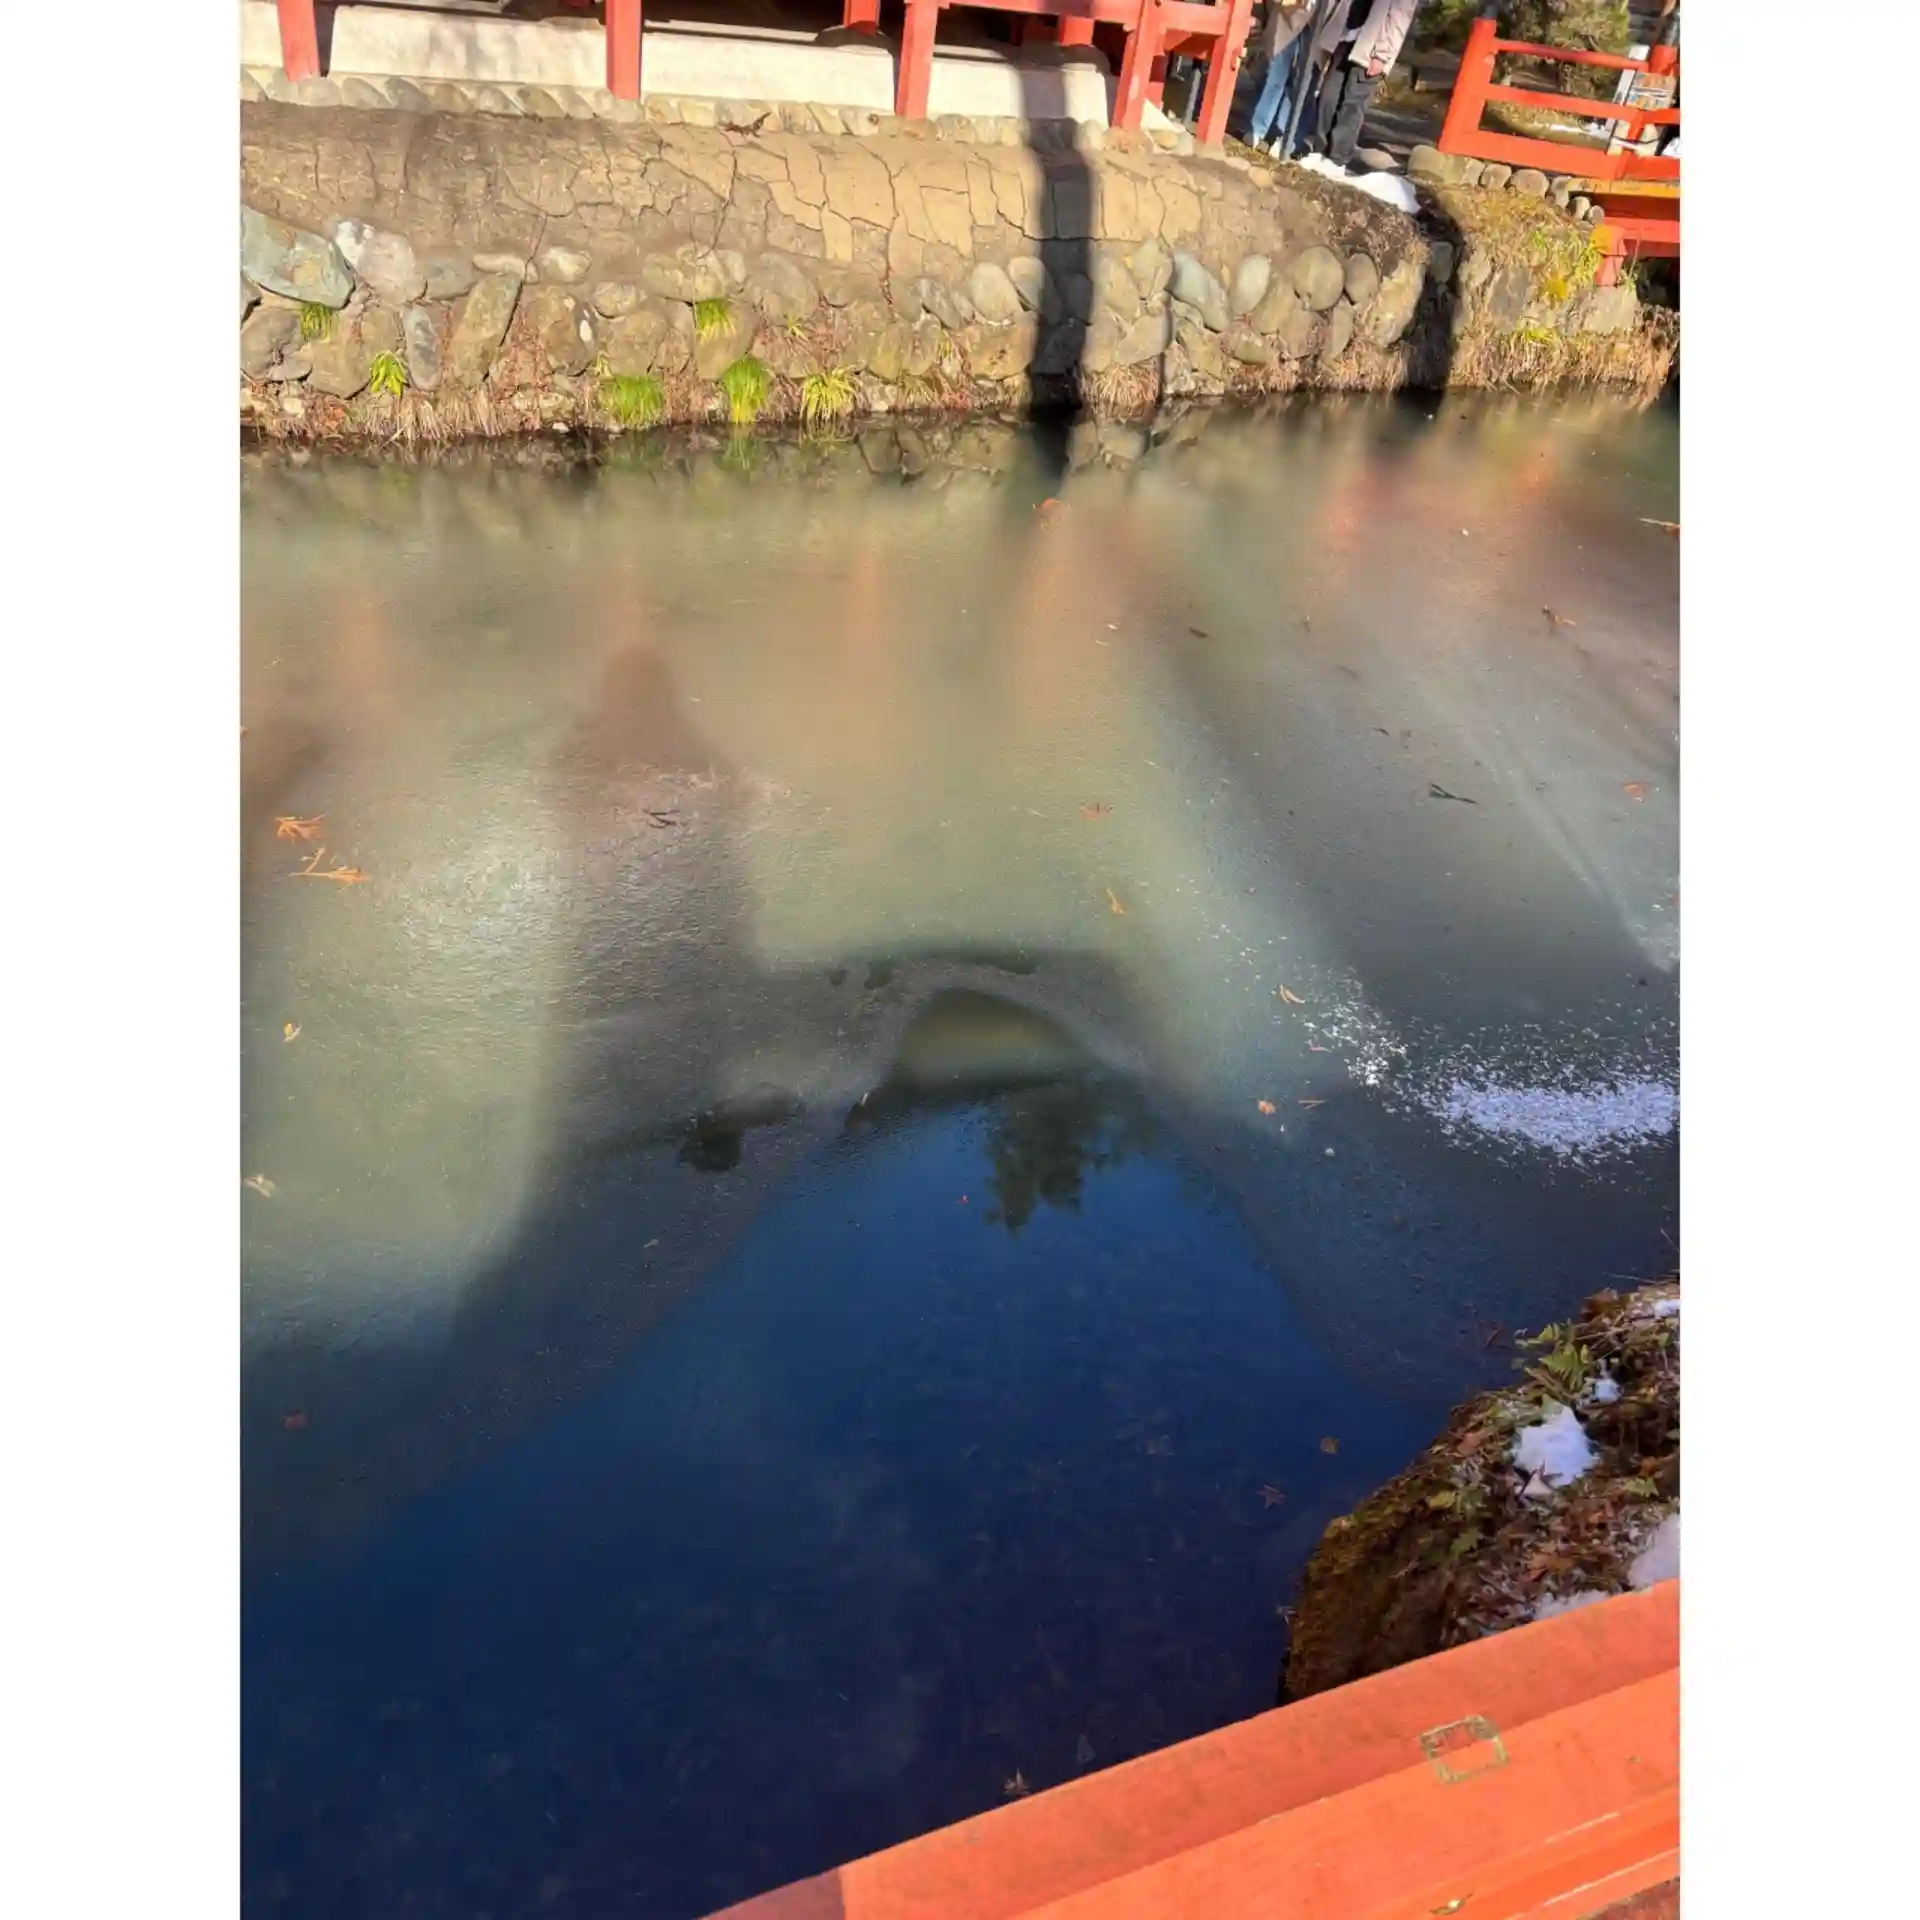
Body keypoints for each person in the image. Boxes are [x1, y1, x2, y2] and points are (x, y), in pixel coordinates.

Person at [1300, 0, 1423, 172]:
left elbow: (1400, 19)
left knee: (1351, 105)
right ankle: (1320, 149)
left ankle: (1338, 158)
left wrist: (1382, 55)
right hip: (1345, 37)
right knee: (1328, 96)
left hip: (1371, 48)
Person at [1238, 4, 1314, 155]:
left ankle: (1281, 134)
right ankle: (1258, 129)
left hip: (1316, 20)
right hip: (1289, 14)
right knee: (1276, 75)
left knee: (1299, 83)